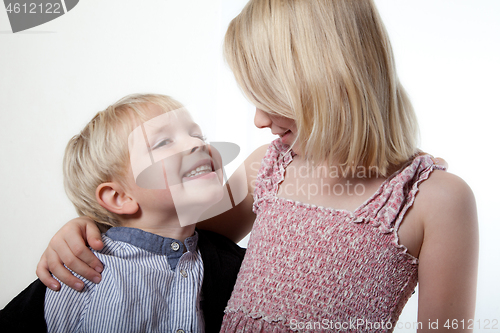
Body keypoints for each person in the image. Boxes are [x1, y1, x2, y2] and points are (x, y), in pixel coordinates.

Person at [34, 0, 478, 332]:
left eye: (269, 97)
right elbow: (173, 236)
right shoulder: (268, 167)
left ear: (330, 82)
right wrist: (88, 228)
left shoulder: (436, 201)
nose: (258, 120)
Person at [0, 94, 245, 333]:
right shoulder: (80, 272)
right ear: (120, 197)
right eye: (163, 142)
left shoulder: (235, 264)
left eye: (198, 135)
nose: (198, 144)